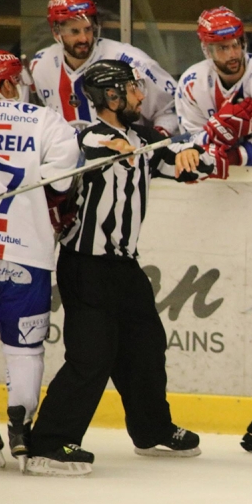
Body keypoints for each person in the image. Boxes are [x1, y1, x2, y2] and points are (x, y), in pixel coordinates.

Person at [26, 60, 223, 477]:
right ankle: (47, 444)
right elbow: (87, 149)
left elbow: (190, 165)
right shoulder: (84, 138)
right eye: (133, 89)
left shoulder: (144, 139)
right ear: (111, 97)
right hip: (86, 266)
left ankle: (152, 431)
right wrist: (113, 149)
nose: (141, 95)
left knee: (146, 348)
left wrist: (190, 154)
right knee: (91, 356)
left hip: (125, 268)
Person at [0, 50, 79, 470]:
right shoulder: (46, 121)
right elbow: (63, 181)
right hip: (28, 253)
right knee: (24, 350)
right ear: (5, 83)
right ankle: (21, 430)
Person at [30, 0, 178, 134]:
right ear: (56, 33)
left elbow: (171, 110)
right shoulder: (40, 65)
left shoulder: (132, 62)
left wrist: (155, 142)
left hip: (125, 156)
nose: (84, 38)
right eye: (75, 31)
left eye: (88, 29)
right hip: (65, 158)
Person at [175, 7, 252, 168]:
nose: (233, 54)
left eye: (236, 44)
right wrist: (213, 135)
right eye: (223, 48)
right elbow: (192, 139)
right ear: (207, 50)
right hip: (221, 175)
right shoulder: (191, 83)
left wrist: (227, 158)